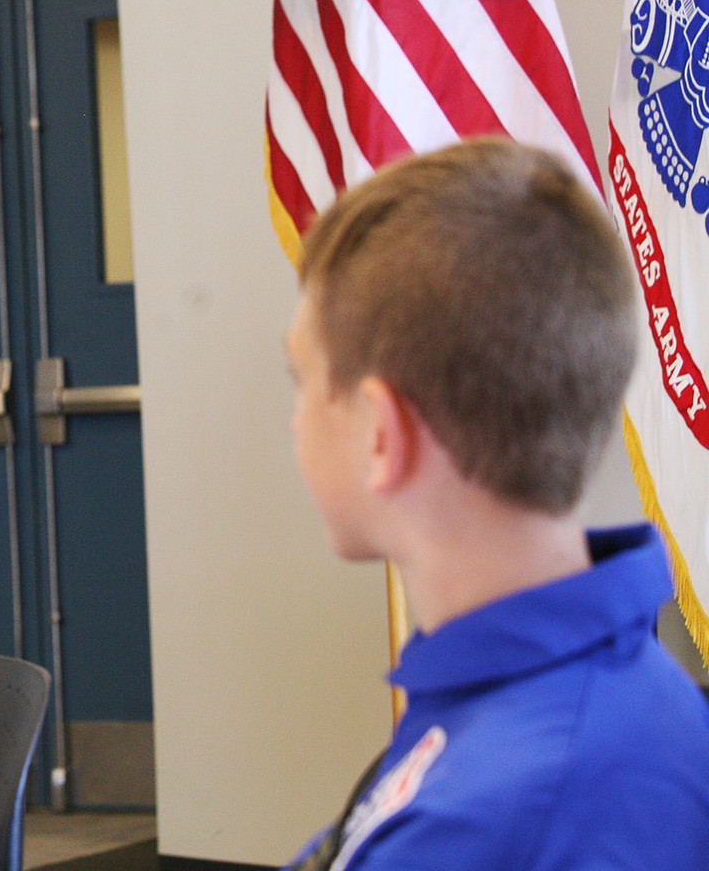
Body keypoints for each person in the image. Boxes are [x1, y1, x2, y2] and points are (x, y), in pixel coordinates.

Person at [282, 137, 709, 870]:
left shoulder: (490, 814)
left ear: (382, 435)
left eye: (302, 382)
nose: (294, 419)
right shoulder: (545, 689)